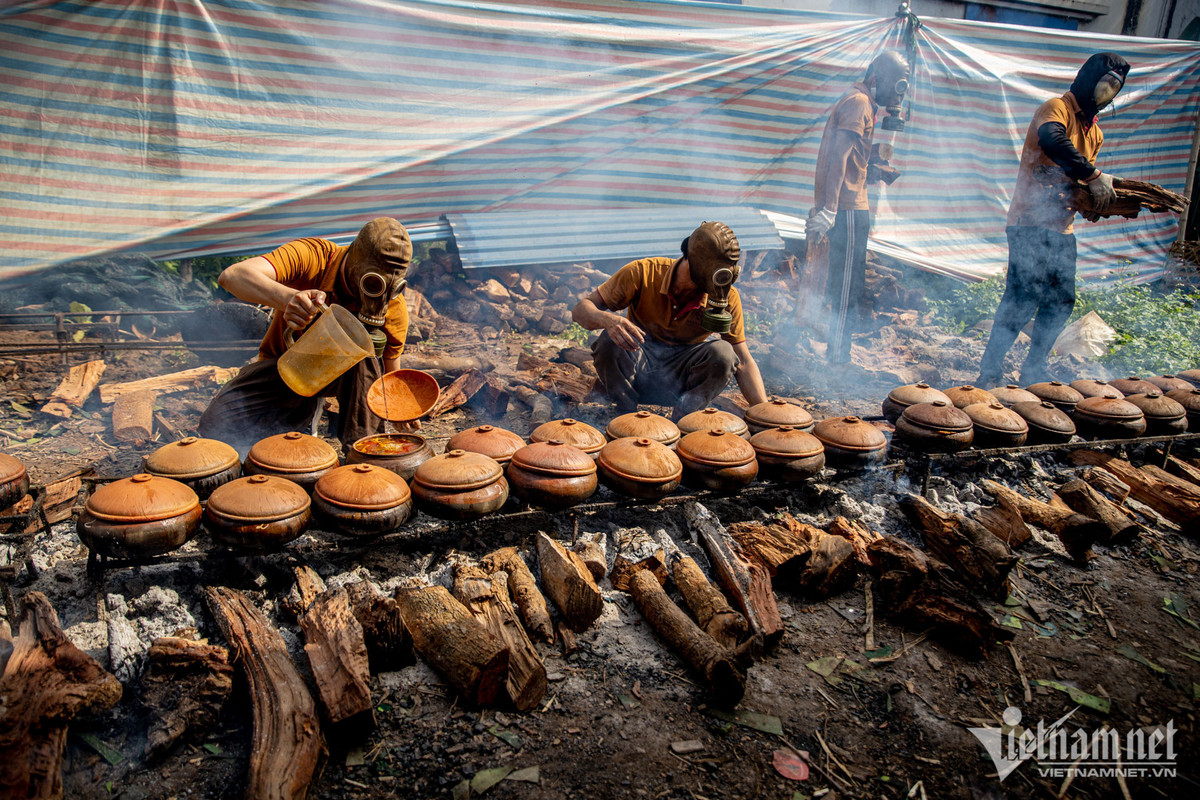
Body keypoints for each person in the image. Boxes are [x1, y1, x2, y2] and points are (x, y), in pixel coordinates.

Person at [977, 53, 1130, 387]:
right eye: (1106, 82)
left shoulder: (1095, 133)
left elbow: (1076, 181)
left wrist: (1091, 203)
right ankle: (989, 371)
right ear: (1089, 78)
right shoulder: (1056, 108)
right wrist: (1094, 175)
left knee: (1061, 300)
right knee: (1022, 298)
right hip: (1029, 221)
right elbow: (1053, 140)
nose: (1109, 91)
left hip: (1062, 227)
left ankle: (1034, 368)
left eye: (1116, 87)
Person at [198, 217, 411, 454]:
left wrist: (400, 410)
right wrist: (288, 298)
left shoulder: (393, 306)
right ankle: (297, 417)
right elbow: (233, 275)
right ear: (352, 257)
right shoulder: (314, 258)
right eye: (372, 284)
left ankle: (361, 454)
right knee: (217, 425)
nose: (378, 297)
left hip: (343, 382)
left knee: (366, 346)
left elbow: (388, 375)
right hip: (285, 367)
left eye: (391, 288)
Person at [571, 221, 769, 419]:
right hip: (637, 369)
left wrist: (766, 413)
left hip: (682, 384)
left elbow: (743, 361)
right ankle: (626, 416)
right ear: (695, 261)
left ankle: (683, 419)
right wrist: (608, 320)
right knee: (609, 340)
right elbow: (580, 310)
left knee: (724, 353)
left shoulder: (726, 297)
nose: (722, 284)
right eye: (719, 275)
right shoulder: (644, 273)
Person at [806, 50, 910, 365]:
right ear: (876, 78)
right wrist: (831, 209)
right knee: (847, 287)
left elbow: (851, 156)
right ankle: (838, 358)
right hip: (849, 208)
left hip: (850, 204)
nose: (897, 95)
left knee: (847, 284)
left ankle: (839, 353)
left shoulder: (861, 103)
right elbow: (839, 157)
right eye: (895, 84)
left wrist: (872, 168)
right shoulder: (859, 103)